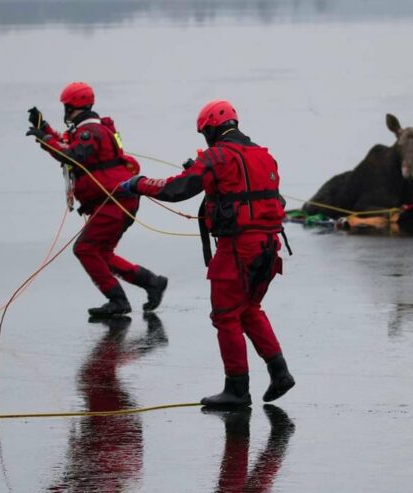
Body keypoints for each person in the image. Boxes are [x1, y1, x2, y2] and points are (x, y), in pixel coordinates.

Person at [120, 99, 295, 408]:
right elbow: (244, 190)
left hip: (239, 247)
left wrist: (138, 184)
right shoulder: (263, 155)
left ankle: (237, 390)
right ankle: (279, 372)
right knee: (250, 308)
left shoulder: (218, 156)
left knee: (226, 315)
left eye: (205, 133)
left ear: (212, 129)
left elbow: (175, 189)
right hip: (269, 246)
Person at [26, 82, 168, 318]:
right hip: (119, 201)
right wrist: (44, 128)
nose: (65, 112)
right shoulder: (93, 129)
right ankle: (152, 282)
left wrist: (43, 139)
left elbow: (73, 156)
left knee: (85, 249)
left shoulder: (90, 132)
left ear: (73, 107)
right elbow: (66, 143)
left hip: (114, 202)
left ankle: (118, 300)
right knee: (102, 254)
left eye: (66, 107)